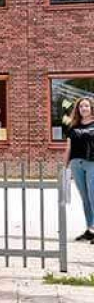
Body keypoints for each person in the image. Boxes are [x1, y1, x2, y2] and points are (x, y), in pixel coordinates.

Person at [64, 97, 94, 242]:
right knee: (85, 198)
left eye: (86, 106)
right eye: (81, 106)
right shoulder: (72, 127)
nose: (84, 109)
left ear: (91, 108)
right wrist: (65, 167)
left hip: (92, 163)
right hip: (76, 164)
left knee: (93, 196)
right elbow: (68, 148)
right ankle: (90, 229)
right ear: (78, 109)